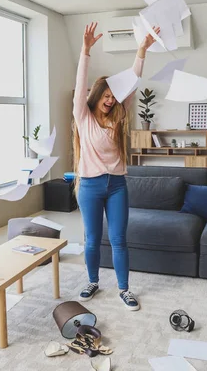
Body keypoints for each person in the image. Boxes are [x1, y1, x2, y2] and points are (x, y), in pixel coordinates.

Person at [72, 22, 159, 311]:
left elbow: (132, 80)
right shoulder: (83, 117)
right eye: (106, 96)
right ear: (96, 96)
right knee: (93, 240)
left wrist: (142, 49)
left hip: (117, 186)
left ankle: (124, 289)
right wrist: (85, 51)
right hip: (90, 186)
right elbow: (80, 83)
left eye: (112, 97)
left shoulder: (119, 115)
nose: (110, 101)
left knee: (119, 239)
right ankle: (93, 281)